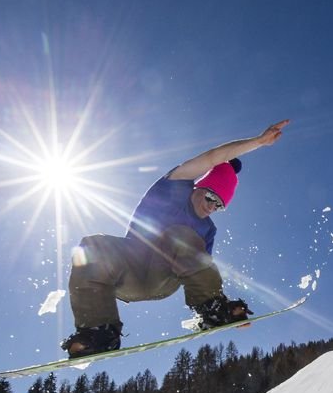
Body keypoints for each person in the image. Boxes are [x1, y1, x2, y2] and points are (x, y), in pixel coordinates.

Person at [62, 120, 290, 358]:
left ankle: (213, 310)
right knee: (93, 244)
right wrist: (257, 142)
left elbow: (200, 271)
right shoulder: (172, 188)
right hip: (126, 273)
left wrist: (224, 311)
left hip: (162, 279)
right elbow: (213, 157)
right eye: (211, 197)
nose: (212, 207)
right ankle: (98, 332)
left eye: (220, 205)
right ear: (199, 186)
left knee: (181, 237)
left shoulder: (207, 230)